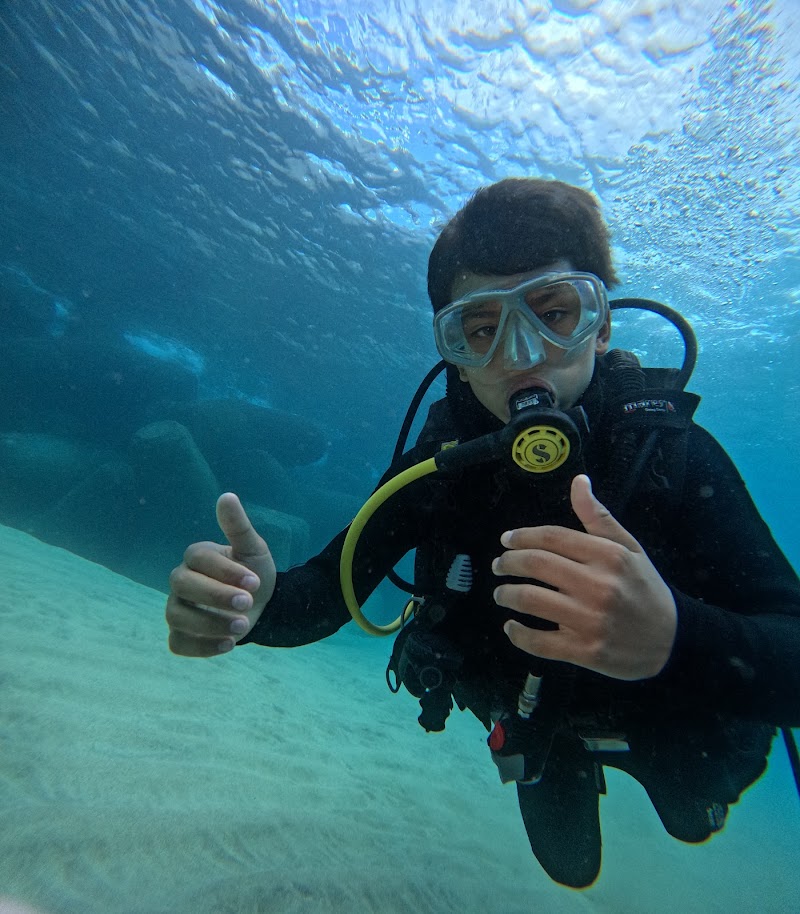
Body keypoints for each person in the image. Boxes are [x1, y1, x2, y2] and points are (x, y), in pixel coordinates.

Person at [165, 178, 800, 888]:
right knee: (570, 869)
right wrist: (253, 605)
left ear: (601, 325)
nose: (521, 355)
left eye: (554, 312)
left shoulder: (671, 458)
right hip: (536, 723)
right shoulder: (439, 468)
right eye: (481, 329)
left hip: (675, 714)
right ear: (456, 355)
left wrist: (676, 637)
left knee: (693, 815)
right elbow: (324, 593)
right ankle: (562, 764)